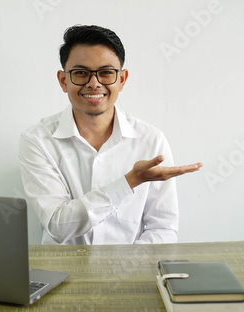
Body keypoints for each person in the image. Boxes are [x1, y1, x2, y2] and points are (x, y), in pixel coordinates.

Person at [18, 25, 202, 245]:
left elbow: (162, 228)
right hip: (62, 273)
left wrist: (127, 269)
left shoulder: (151, 140)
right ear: (63, 81)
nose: (94, 83)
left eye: (105, 72)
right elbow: (58, 225)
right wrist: (130, 181)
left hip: (132, 271)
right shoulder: (37, 140)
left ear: (122, 80)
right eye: (80, 73)